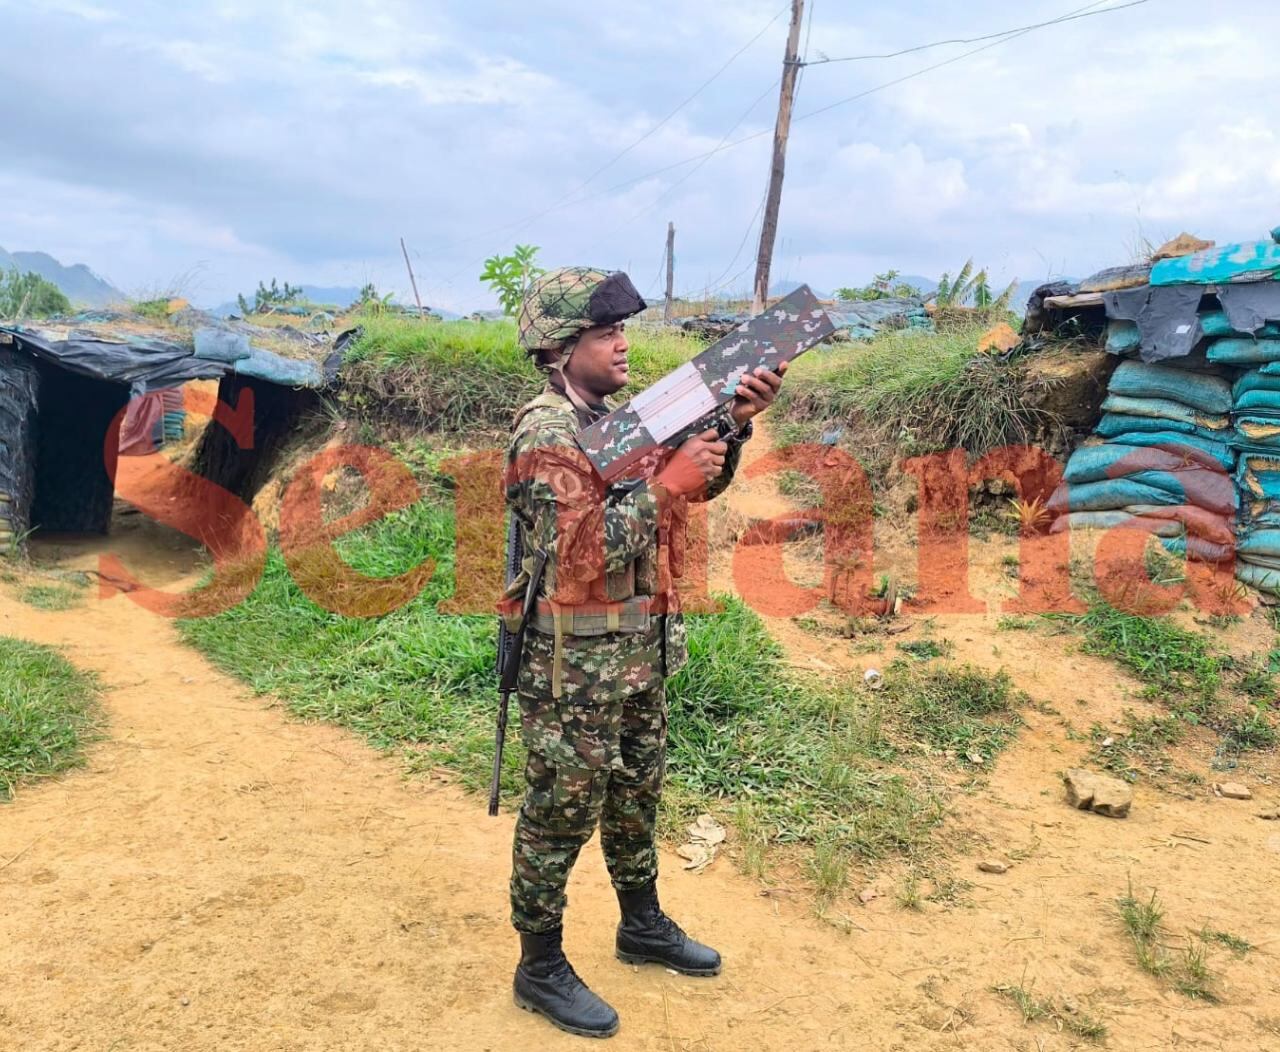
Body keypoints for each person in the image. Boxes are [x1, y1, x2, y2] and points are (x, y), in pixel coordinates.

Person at [503, 267, 786, 1039]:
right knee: (560, 813)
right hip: (572, 668)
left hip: (637, 650)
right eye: (605, 333)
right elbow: (580, 550)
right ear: (561, 348)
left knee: (635, 798)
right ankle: (539, 965)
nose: (623, 344)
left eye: (624, 329)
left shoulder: (622, 420)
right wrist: (668, 485)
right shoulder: (545, 431)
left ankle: (641, 924)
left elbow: (692, 489)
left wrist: (732, 427)